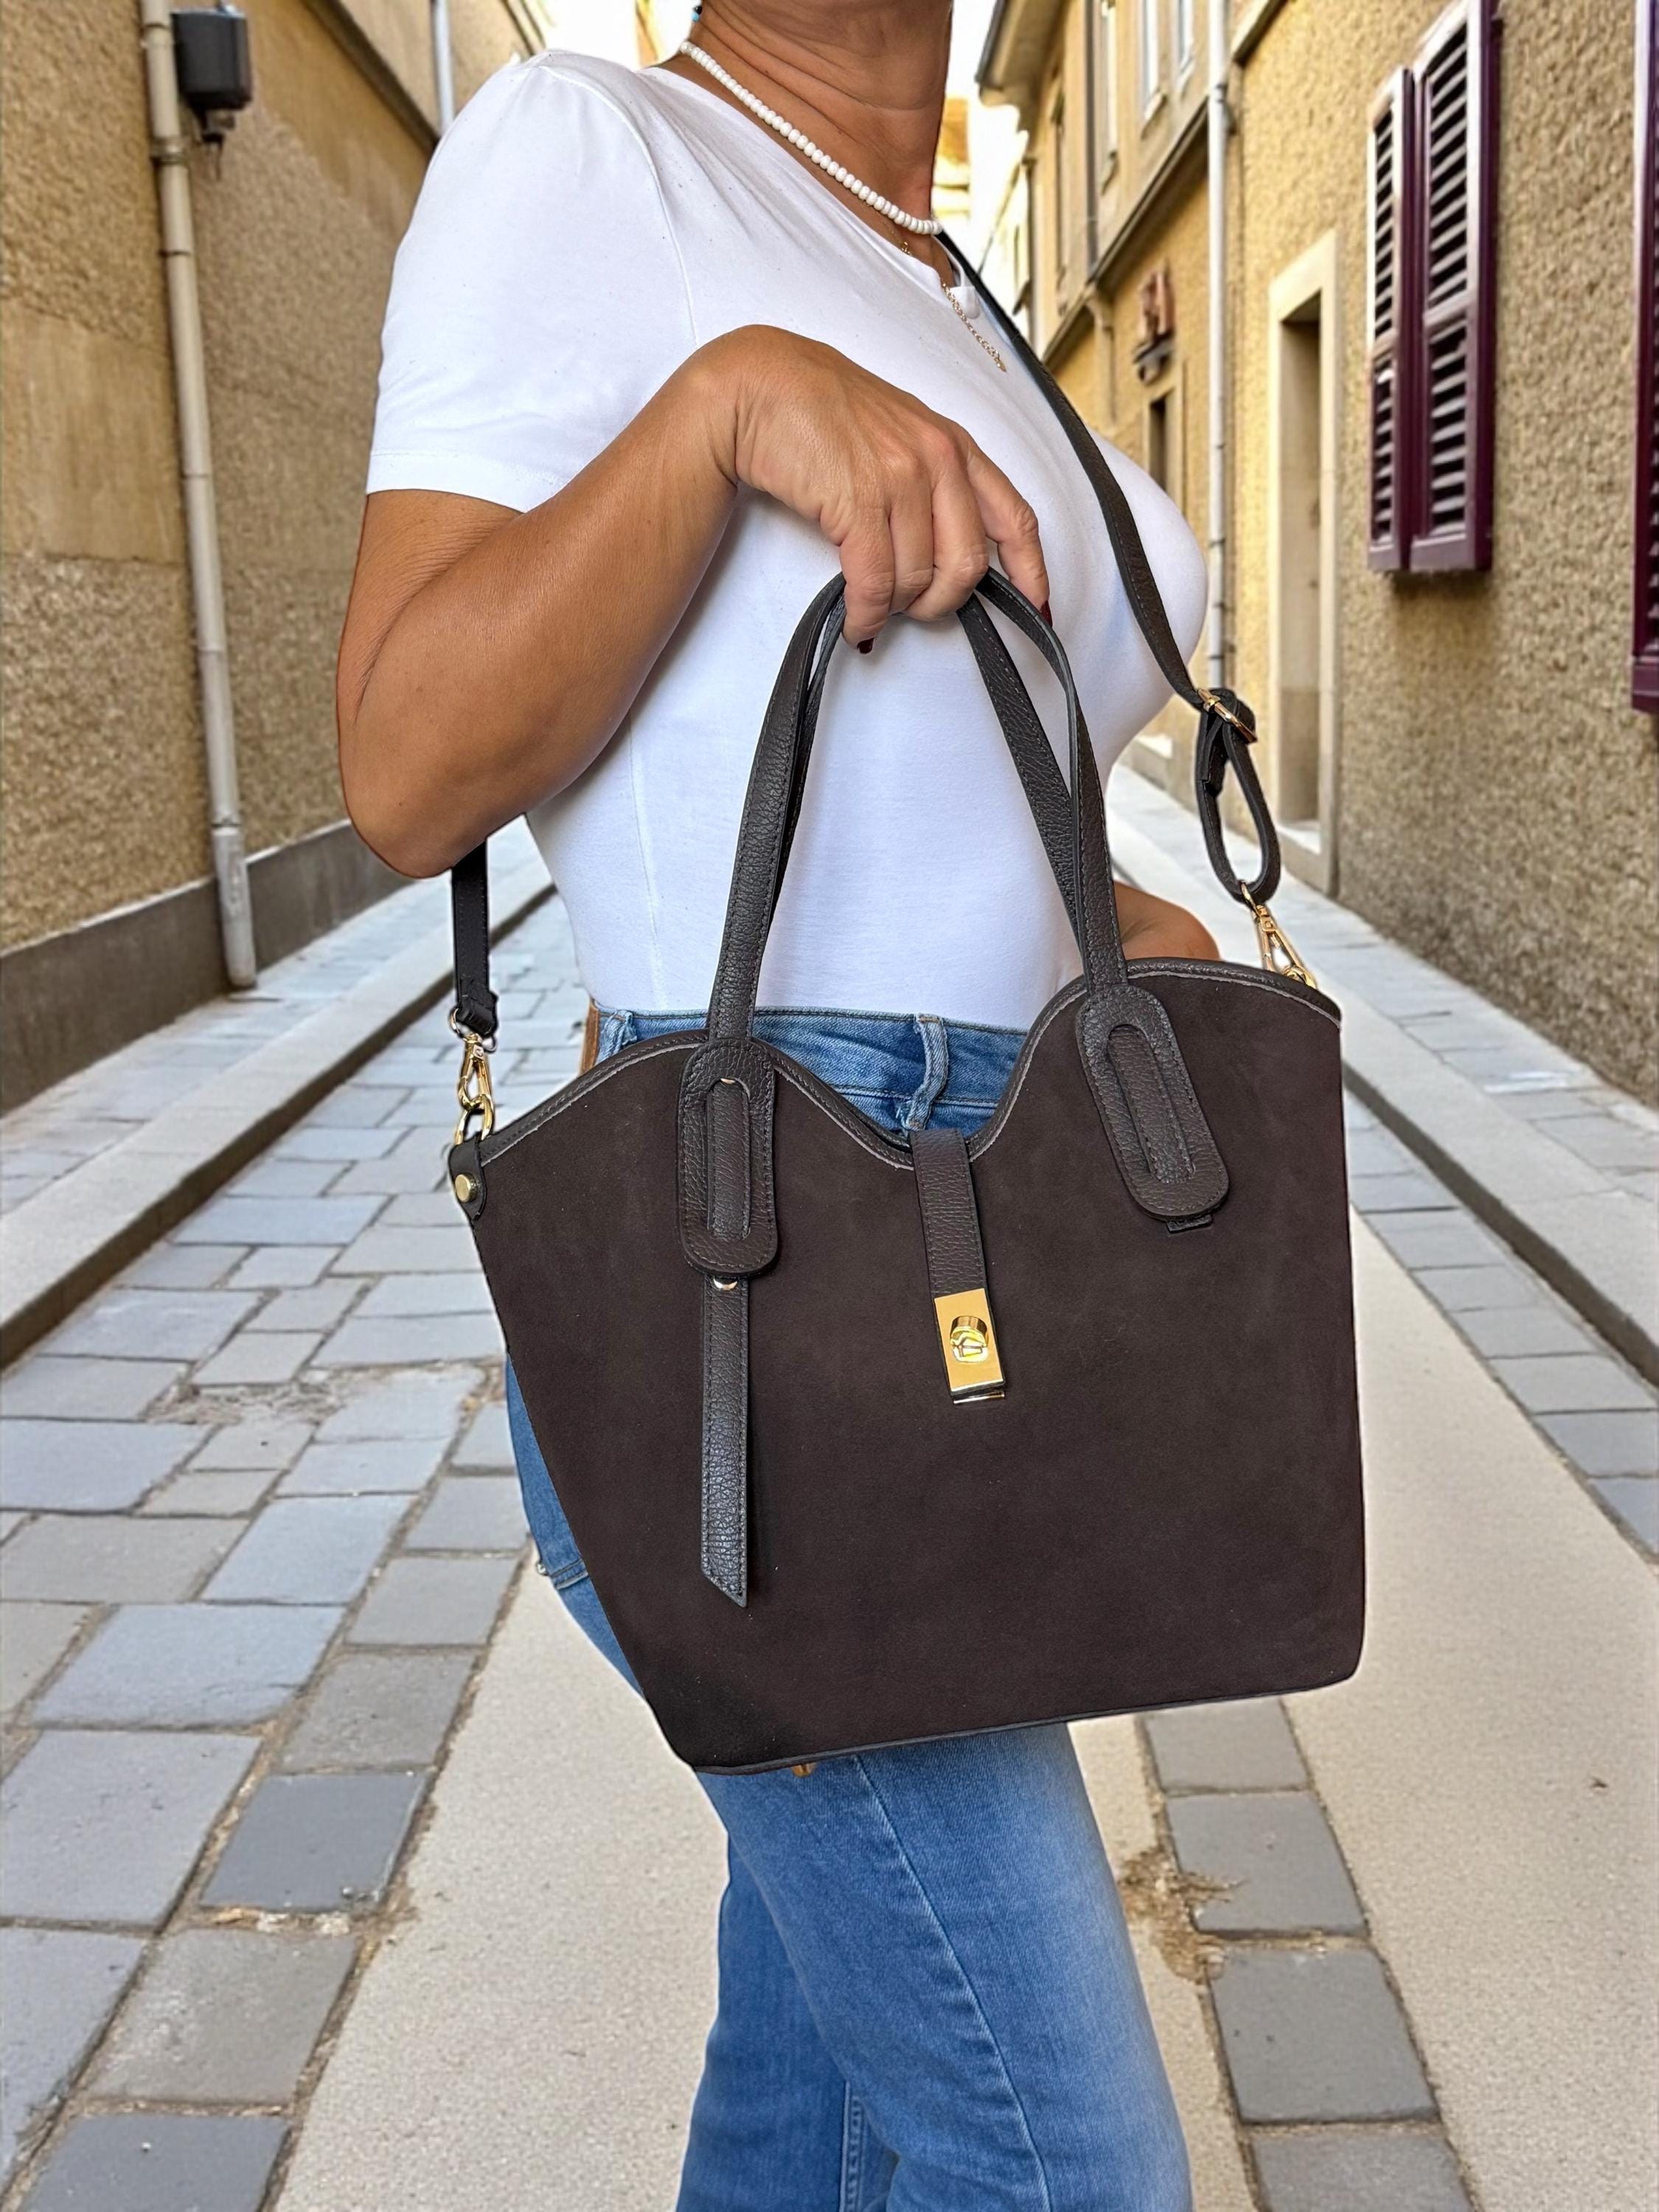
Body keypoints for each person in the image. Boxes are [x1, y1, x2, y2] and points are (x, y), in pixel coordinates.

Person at [338, 6, 1215, 2204]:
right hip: (761, 1264)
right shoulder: (583, 149)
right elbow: (404, 757)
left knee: (820, 2064)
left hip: (1010, 1245)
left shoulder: (959, 285)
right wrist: (716, 413)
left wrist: (1123, 936)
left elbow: (932, 794)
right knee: (1060, 2158)